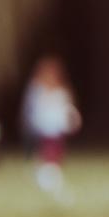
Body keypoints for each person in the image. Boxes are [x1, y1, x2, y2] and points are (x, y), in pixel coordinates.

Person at [21, 56, 81, 197]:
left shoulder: (62, 92)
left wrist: (71, 121)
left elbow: (67, 110)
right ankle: (45, 176)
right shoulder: (37, 90)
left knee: (56, 154)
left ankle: (50, 176)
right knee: (45, 153)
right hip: (43, 129)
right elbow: (33, 109)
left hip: (56, 129)